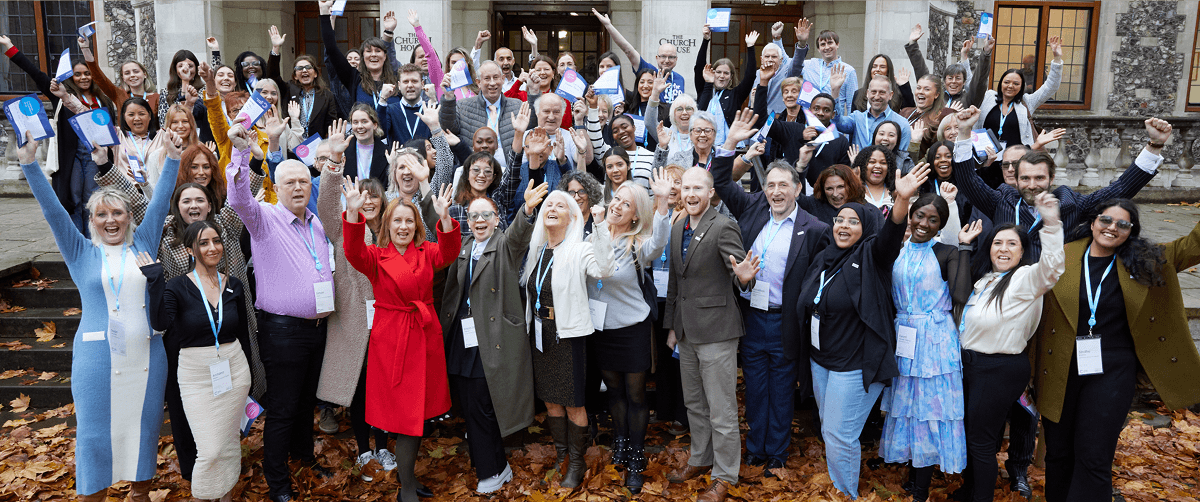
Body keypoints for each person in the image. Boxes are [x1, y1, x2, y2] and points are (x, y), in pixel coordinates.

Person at [15, 129, 182, 501]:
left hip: (146, 356)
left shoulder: (143, 240)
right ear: (91, 220)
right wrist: (29, 163)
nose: (110, 220)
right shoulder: (80, 252)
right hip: (96, 359)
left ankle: (139, 495)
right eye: (101, 214)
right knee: (93, 435)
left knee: (143, 427)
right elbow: (52, 210)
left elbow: (159, 203)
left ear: (128, 218)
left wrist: (172, 159)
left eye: (117, 213)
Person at [1033, 200, 1200, 502]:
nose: (1112, 227)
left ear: (1131, 230)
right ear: (1094, 222)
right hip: (1062, 368)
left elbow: (1193, 245)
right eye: (1106, 220)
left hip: (1112, 369)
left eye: (1122, 224)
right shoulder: (1065, 255)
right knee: (1058, 452)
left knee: (1094, 454)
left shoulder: (1147, 260)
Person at [798, 161, 928, 500]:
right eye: (839, 219)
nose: (843, 226)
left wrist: (901, 201)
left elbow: (890, 236)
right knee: (831, 431)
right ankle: (840, 489)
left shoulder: (872, 256)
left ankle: (845, 494)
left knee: (841, 434)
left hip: (854, 365)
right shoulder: (825, 257)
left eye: (852, 221)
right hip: (821, 360)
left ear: (865, 226)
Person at [712, 109, 831, 474]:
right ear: (764, 189)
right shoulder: (752, 209)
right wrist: (731, 143)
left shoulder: (814, 228)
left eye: (784, 185)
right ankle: (756, 448)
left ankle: (776, 453)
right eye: (771, 185)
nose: (776, 191)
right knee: (755, 388)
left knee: (781, 391)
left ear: (798, 189)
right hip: (751, 317)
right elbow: (719, 179)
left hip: (785, 322)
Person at [226, 137, 336, 501]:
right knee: (284, 409)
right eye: (289, 182)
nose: (298, 187)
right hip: (284, 333)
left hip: (316, 330)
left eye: (304, 181)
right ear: (276, 186)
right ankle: (277, 483)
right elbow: (240, 199)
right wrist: (241, 155)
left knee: (307, 403)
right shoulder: (265, 219)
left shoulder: (315, 224)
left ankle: (303, 459)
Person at [342, 179, 460, 501]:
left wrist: (445, 217)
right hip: (392, 340)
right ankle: (406, 486)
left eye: (409, 220)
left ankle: (408, 478)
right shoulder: (375, 256)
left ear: (417, 225)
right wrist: (353, 213)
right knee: (407, 416)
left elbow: (450, 251)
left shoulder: (427, 252)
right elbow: (352, 251)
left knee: (419, 413)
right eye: (397, 220)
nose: (404, 226)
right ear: (387, 225)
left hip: (423, 336)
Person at [948, 108, 1173, 257]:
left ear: (1051, 179)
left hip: (1052, 293)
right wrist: (965, 132)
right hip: (1008, 291)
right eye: (1025, 178)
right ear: (1016, 179)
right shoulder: (1001, 201)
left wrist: (1154, 145)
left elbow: (1120, 189)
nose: (1032, 184)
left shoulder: (1070, 204)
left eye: (1039, 178)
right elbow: (968, 179)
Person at [957, 193, 1064, 502]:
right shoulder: (985, 280)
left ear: (1022, 251)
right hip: (971, 366)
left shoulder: (1025, 280)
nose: (1003, 249)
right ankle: (969, 491)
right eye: (997, 243)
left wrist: (1052, 223)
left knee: (980, 441)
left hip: (998, 370)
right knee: (973, 439)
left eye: (1011, 244)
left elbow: (1052, 268)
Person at [438, 186, 544, 494]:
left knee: (482, 405)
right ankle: (498, 466)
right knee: (471, 406)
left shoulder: (504, 245)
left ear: (497, 220)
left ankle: (490, 472)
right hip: (463, 339)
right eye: (474, 216)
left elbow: (519, 235)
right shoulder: (464, 246)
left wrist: (525, 211)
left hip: (493, 339)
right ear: (468, 220)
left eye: (486, 215)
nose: (480, 220)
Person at [140, 221, 253, 501]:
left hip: (234, 369)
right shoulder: (177, 287)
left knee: (228, 443)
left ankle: (225, 497)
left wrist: (251, 376)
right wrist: (155, 280)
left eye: (216, 241)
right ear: (191, 250)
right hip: (195, 373)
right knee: (210, 448)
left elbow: (243, 333)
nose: (212, 248)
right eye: (203, 243)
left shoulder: (234, 285)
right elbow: (159, 322)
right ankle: (202, 496)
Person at [663, 166, 753, 502]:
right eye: (686, 188)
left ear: (711, 192)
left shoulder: (724, 225)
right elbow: (676, 282)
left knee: (722, 410)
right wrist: (673, 326)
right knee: (695, 405)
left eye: (698, 188)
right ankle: (701, 459)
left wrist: (744, 277)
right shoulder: (677, 228)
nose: (691, 194)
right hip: (686, 333)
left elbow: (741, 273)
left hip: (717, 332)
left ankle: (725, 474)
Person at [879, 190, 974, 502]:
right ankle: (912, 474)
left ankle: (921, 487)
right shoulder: (898, 250)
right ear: (910, 215)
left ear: (940, 225)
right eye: (920, 215)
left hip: (935, 342)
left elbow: (960, 295)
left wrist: (963, 248)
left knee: (930, 411)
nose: (924, 223)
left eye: (933, 219)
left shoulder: (945, 252)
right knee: (907, 409)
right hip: (904, 336)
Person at [522, 190, 616, 489]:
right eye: (548, 204)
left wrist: (600, 226)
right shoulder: (537, 250)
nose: (552, 208)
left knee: (573, 403)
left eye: (560, 205)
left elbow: (604, 269)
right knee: (551, 400)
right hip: (541, 334)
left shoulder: (580, 249)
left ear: (573, 217)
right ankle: (563, 456)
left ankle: (576, 462)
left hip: (568, 335)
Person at [588, 175, 672, 493]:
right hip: (602, 330)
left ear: (636, 215)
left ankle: (637, 461)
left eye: (627, 204)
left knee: (636, 396)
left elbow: (658, 243)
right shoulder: (594, 233)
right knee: (613, 391)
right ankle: (620, 440)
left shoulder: (638, 243)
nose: (618, 206)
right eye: (617, 199)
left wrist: (662, 203)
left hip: (633, 330)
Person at [0, 35, 116, 234]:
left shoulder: (103, 99)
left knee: (93, 200)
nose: (83, 78)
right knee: (72, 199)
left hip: (95, 155)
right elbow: (34, 72)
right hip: (71, 155)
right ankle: (79, 242)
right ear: (71, 77)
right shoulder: (62, 96)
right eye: (78, 74)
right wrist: (10, 47)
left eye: (87, 73)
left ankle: (95, 243)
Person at [440, 60, 533, 169]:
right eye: (487, 78)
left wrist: (535, 91)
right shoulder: (463, 106)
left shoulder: (517, 105)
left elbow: (532, 127)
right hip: (474, 173)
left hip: (511, 173)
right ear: (478, 82)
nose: (492, 83)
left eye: (496, 77)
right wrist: (448, 98)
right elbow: (449, 129)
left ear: (502, 79)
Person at [976, 37, 1063, 149]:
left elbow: (1050, 87)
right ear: (1000, 83)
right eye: (1007, 82)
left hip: (1016, 161)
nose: (1010, 86)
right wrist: (985, 53)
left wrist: (1057, 58)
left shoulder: (1027, 102)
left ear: (1022, 87)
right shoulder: (988, 96)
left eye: (1016, 84)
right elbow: (975, 83)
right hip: (987, 160)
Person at [595, 8, 686, 103]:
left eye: (671, 57)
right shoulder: (650, 72)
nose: (667, 60)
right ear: (657, 58)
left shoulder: (680, 79)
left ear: (676, 59)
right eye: (663, 56)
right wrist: (608, 25)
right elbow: (628, 51)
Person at [319, 0, 400, 106]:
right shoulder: (354, 78)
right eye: (369, 51)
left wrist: (388, 32)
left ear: (385, 56)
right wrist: (324, 11)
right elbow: (331, 49)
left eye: (378, 51)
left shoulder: (396, 79)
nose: (373, 54)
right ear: (363, 57)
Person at [266, 26, 338, 140]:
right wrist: (276, 48)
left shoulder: (327, 96)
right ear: (295, 75)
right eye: (299, 68)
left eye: (308, 67)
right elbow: (272, 76)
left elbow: (331, 123)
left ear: (315, 73)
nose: (304, 70)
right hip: (291, 143)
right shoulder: (288, 89)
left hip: (316, 147)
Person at [695, 25, 760, 136]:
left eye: (726, 73)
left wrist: (750, 47)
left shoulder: (736, 94)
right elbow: (698, 67)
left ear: (731, 76)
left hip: (728, 146)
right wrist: (706, 40)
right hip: (703, 143)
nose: (722, 76)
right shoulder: (705, 89)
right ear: (712, 73)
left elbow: (750, 76)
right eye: (718, 72)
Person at [905, 24, 991, 106]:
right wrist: (913, 45)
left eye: (958, 78)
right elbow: (922, 73)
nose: (953, 81)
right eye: (950, 78)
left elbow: (980, 79)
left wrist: (986, 53)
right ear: (944, 81)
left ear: (964, 82)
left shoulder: (970, 99)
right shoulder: (936, 97)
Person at [78, 35, 160, 113]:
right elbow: (99, 77)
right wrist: (85, 49)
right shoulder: (119, 95)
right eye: (127, 73)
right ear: (123, 78)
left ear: (144, 74)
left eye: (136, 71)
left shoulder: (157, 98)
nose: (132, 75)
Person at [831, 73, 913, 149]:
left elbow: (902, 157)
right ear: (867, 93)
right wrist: (835, 91)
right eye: (873, 92)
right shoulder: (857, 118)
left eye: (882, 92)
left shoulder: (902, 124)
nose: (877, 97)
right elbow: (837, 123)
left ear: (890, 95)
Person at [801, 28, 857, 118]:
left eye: (830, 43)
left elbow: (852, 105)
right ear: (819, 49)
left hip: (834, 123)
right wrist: (777, 38)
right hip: (809, 122)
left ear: (837, 44)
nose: (827, 47)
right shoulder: (810, 65)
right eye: (823, 44)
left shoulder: (849, 71)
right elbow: (788, 63)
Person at [854, 145, 897, 211]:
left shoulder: (896, 191)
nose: (878, 166)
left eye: (883, 163)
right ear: (862, 165)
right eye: (872, 162)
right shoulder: (853, 190)